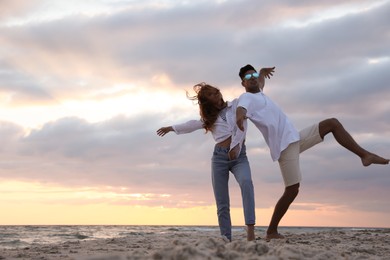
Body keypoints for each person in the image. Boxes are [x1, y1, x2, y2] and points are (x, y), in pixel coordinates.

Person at [233, 64, 390, 241]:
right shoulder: (245, 97)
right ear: (243, 84)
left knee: (332, 123)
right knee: (292, 190)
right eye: (247, 77)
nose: (252, 78)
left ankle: (365, 155)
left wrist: (261, 72)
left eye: (253, 75)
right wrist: (239, 116)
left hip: (295, 138)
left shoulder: (259, 90)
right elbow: (242, 108)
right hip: (284, 147)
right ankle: (271, 231)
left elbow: (260, 81)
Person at [157, 82, 260, 241]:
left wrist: (236, 146)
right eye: (210, 95)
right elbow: (191, 125)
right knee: (222, 203)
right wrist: (171, 128)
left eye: (215, 92)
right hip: (219, 158)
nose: (215, 95)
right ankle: (226, 239)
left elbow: (246, 117)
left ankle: (251, 232)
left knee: (246, 182)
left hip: (239, 156)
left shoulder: (237, 105)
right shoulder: (209, 119)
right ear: (207, 101)